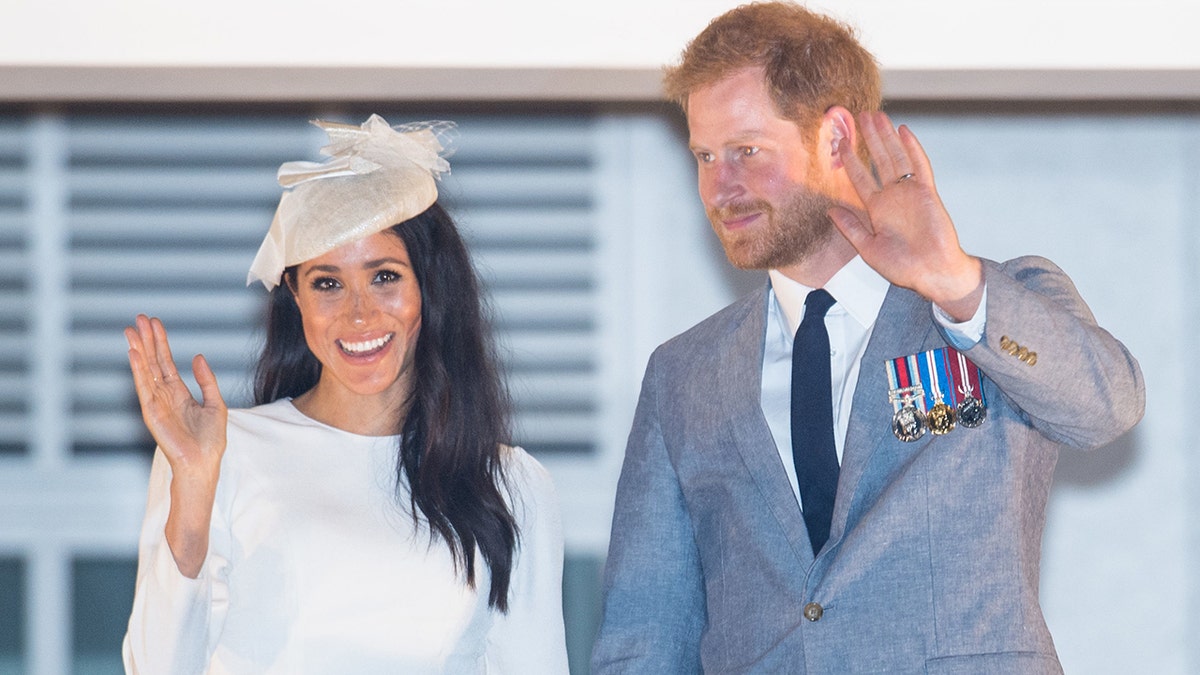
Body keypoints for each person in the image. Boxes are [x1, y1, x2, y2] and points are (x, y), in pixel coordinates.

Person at [591, 3, 1145, 673]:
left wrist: (958, 285)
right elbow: (644, 633)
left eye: (746, 151)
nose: (718, 185)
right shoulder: (683, 374)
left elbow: (1108, 406)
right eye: (704, 155)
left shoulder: (994, 305)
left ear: (834, 140)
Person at [121, 114, 569, 674]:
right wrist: (191, 483)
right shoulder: (216, 453)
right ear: (295, 298)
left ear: (430, 288)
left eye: (385, 277)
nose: (359, 313)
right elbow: (156, 667)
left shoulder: (513, 486)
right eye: (327, 283)